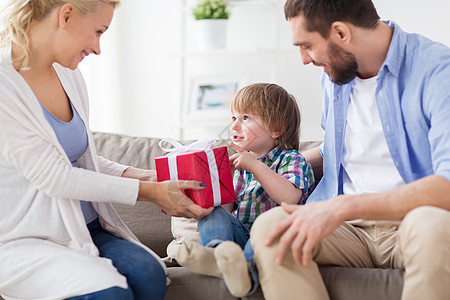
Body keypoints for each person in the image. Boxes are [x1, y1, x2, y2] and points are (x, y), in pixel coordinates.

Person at [0, 1, 212, 299]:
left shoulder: (69, 73)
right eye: (98, 32)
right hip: (31, 238)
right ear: (67, 15)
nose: (98, 48)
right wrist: (148, 192)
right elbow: (56, 177)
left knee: (148, 274)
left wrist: (147, 176)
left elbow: (80, 160)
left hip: (87, 225)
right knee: (110, 293)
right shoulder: (5, 86)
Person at [245, 0, 450, 299]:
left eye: (306, 46)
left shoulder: (437, 71)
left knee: (432, 226)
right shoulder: (335, 75)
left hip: (412, 221)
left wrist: (343, 207)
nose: (303, 59)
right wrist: (281, 165)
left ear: (341, 33)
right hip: (349, 230)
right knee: (272, 229)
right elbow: (334, 151)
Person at [176, 83, 315, 297]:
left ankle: (246, 271)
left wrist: (255, 166)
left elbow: (291, 198)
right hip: (240, 235)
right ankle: (217, 252)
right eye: (233, 118)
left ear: (275, 129)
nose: (235, 126)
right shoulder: (242, 165)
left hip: (268, 238)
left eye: (246, 118)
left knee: (270, 229)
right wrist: (216, 181)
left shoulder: (291, 159)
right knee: (214, 212)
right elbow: (228, 208)